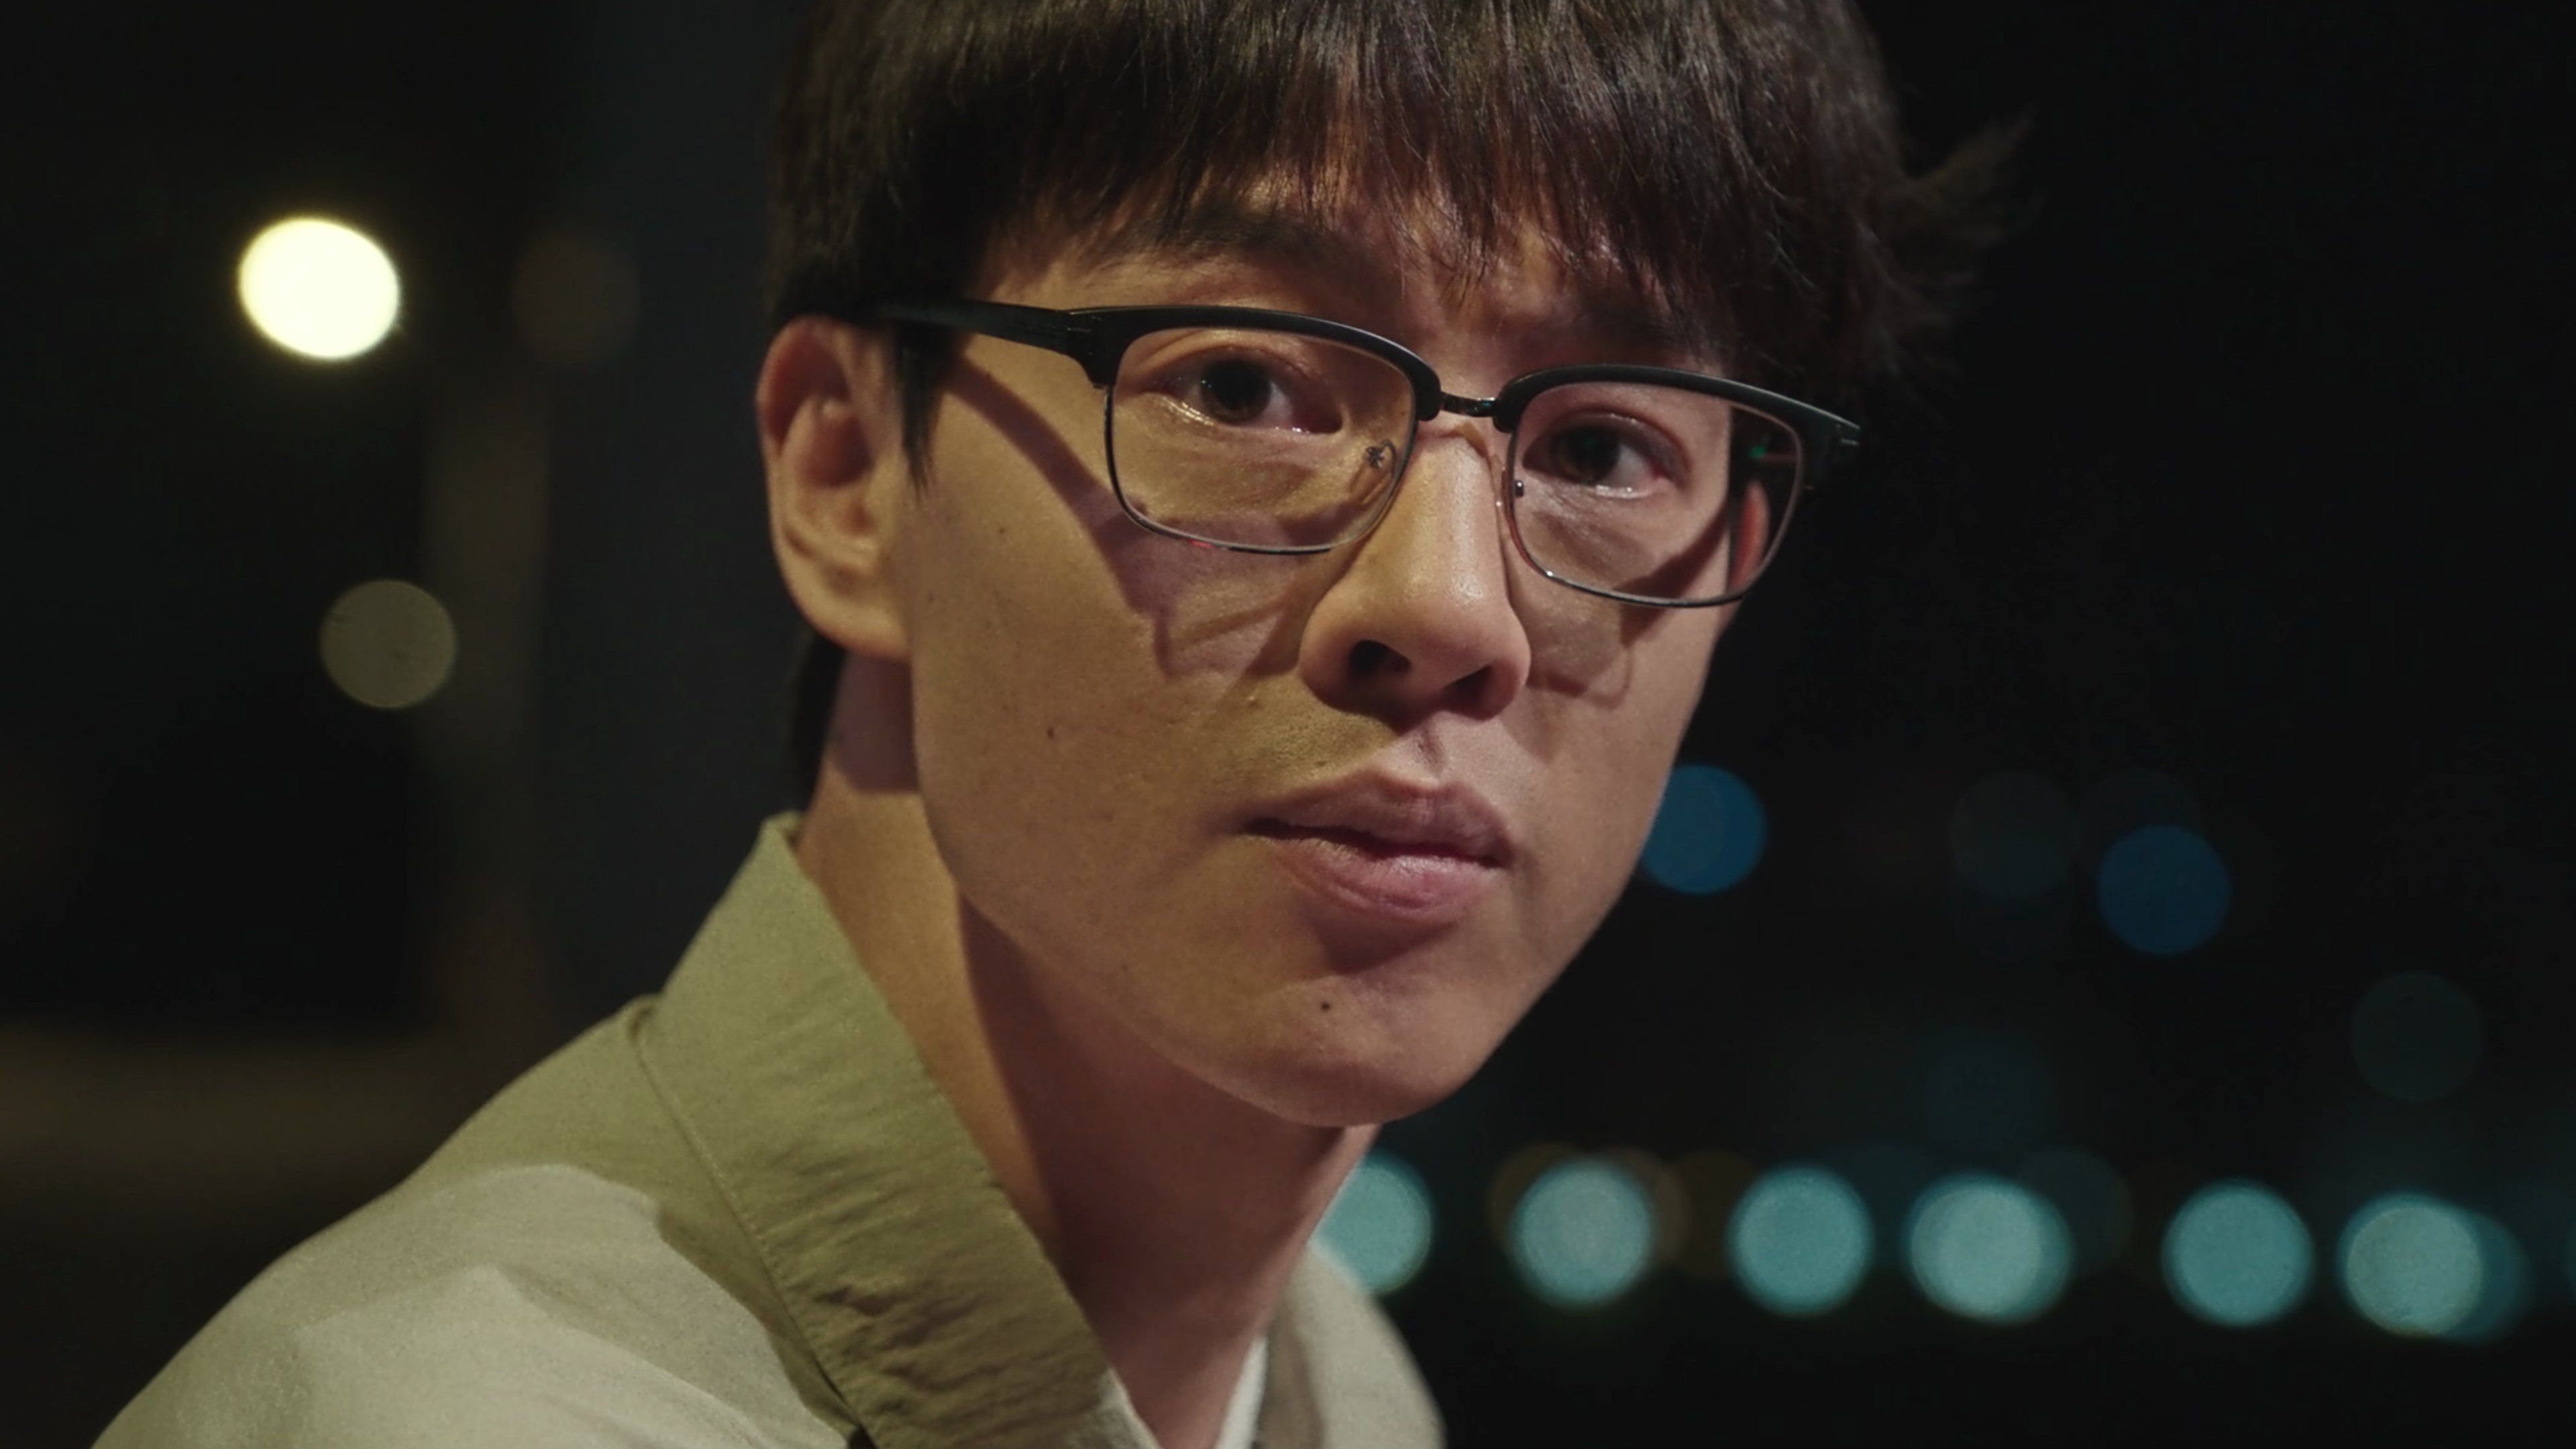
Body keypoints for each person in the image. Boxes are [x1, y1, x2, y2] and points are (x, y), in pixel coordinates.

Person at [101, 1, 1996, 1445]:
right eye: (1243, 386)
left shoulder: (1335, 1388)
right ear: (848, 476)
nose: (1447, 610)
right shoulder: (452, 1415)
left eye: (1601, 450)